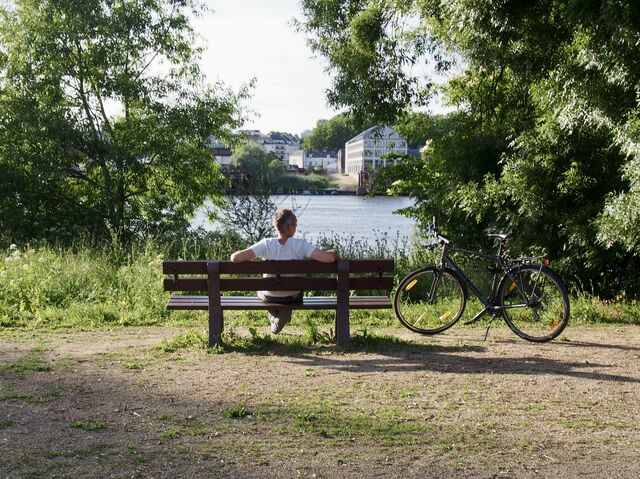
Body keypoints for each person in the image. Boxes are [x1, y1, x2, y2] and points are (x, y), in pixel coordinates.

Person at [230, 209, 339, 334]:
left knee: (260, 290)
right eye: (295, 226)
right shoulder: (301, 245)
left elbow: (236, 258)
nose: (296, 228)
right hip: (293, 296)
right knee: (293, 291)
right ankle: (282, 314)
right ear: (290, 227)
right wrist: (334, 253)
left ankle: (274, 316)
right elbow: (329, 258)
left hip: (269, 296)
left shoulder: (265, 244)